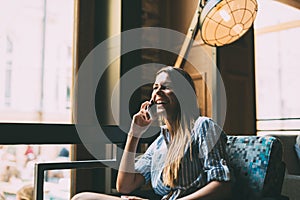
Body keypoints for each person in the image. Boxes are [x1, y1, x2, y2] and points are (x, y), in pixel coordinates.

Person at [72, 66, 233, 200]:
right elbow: (125, 185)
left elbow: (222, 184)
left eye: (166, 87)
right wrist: (134, 134)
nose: (157, 93)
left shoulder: (203, 126)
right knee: (82, 199)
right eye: (155, 87)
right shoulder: (160, 142)